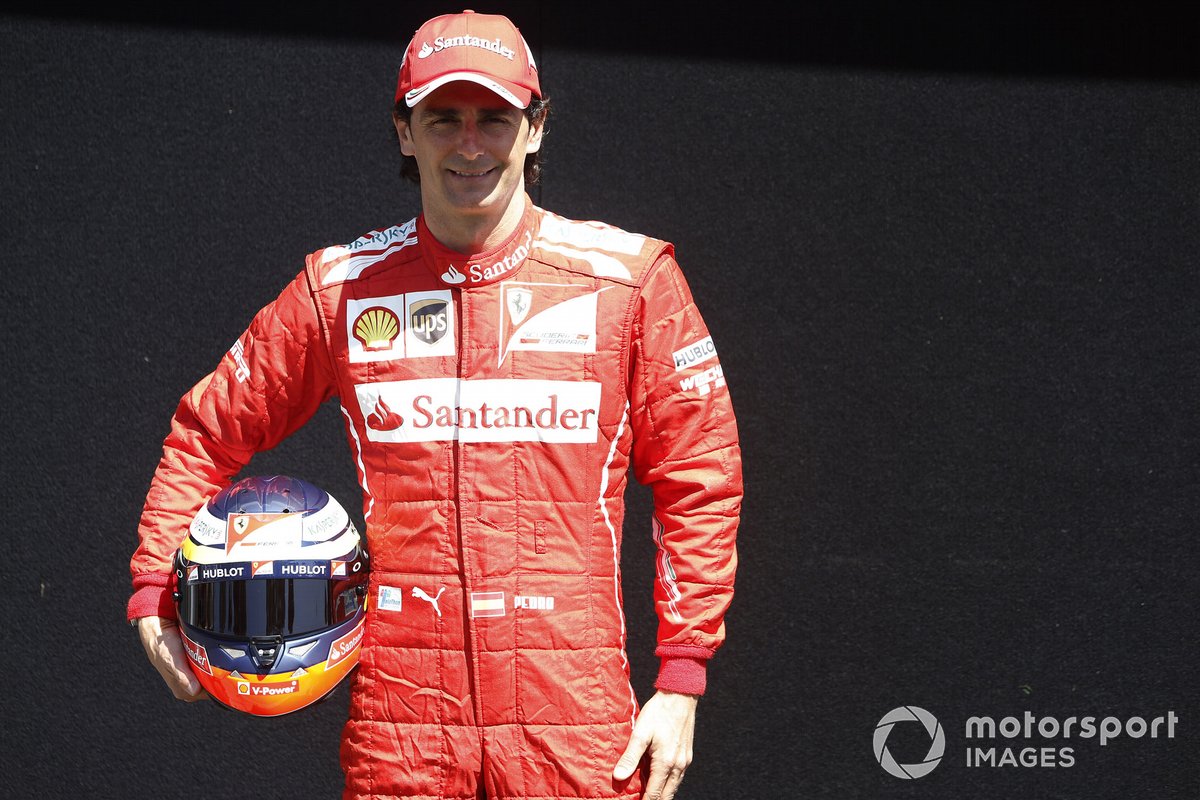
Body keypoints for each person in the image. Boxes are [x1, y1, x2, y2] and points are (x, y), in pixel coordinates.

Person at [129, 9, 741, 800]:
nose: (470, 144)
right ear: (404, 130)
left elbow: (702, 477)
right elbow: (207, 433)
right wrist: (155, 582)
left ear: (537, 127)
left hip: (576, 719)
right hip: (404, 719)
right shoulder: (341, 287)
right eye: (443, 118)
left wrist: (683, 678)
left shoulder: (628, 282)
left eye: (495, 117)